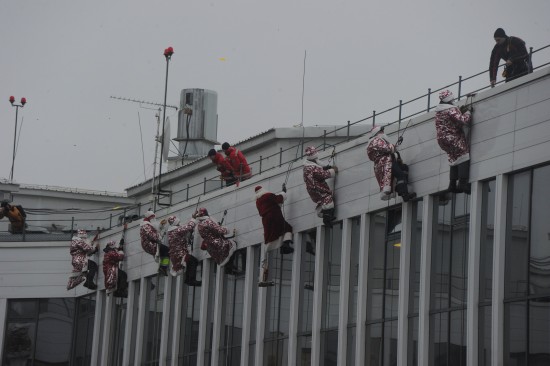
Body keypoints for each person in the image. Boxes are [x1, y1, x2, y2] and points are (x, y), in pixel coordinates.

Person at [254, 185, 294, 286]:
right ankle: (286, 245)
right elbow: (278, 199)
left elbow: (274, 203)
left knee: (270, 236)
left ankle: (263, 276)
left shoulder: (258, 202)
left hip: (266, 220)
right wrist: (283, 193)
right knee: (287, 228)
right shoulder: (268, 195)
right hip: (275, 215)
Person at [435, 90, 473, 194]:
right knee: (463, 155)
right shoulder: (450, 109)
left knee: (453, 157)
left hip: (442, 140)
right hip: (452, 138)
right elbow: (463, 120)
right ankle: (463, 183)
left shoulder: (439, 112)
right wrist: (468, 112)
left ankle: (452, 184)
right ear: (450, 99)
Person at [366, 126, 416, 201]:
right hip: (386, 163)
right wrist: (393, 147)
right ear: (377, 133)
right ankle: (403, 193)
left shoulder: (378, 140)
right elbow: (387, 148)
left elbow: (389, 148)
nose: (383, 133)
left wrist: (396, 145)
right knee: (400, 174)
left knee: (402, 171)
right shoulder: (375, 140)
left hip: (388, 162)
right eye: (381, 131)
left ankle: (403, 192)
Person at [303, 146, 338, 226]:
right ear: (313, 156)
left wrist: (326, 167)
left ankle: (325, 214)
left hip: (312, 189)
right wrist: (333, 171)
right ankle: (327, 218)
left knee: (323, 200)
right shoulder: (312, 167)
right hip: (317, 188)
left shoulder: (307, 166)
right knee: (327, 197)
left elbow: (319, 167)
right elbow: (322, 174)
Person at [166, 215, 202, 286]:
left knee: (190, 262)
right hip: (180, 255)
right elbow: (189, 227)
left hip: (176, 256)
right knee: (193, 261)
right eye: (178, 222)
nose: (179, 224)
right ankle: (191, 280)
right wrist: (193, 218)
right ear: (175, 223)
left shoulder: (170, 232)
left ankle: (189, 279)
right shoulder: (177, 230)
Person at [140, 210, 170, 276]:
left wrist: (161, 225)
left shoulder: (148, 225)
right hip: (150, 244)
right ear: (149, 218)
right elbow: (153, 236)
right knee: (167, 250)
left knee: (164, 251)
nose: (154, 218)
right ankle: (163, 267)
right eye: (152, 217)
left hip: (151, 243)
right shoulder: (146, 226)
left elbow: (155, 229)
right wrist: (160, 236)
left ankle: (162, 266)